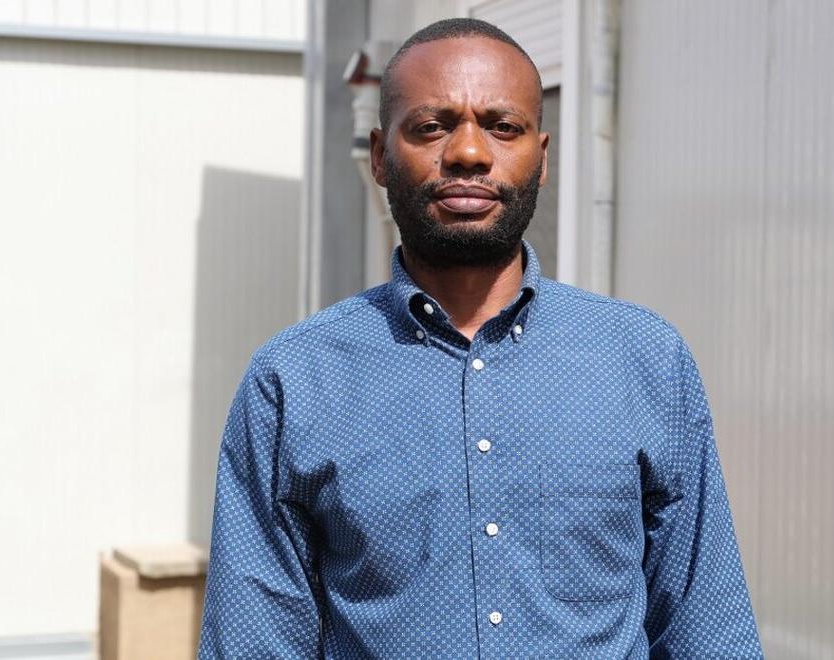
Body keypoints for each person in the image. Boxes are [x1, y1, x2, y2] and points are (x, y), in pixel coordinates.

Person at [198, 17, 762, 659]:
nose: (468, 152)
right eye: (431, 126)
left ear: (541, 159)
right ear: (380, 156)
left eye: (503, 126)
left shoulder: (644, 361)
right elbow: (255, 644)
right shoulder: (294, 383)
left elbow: (706, 632)